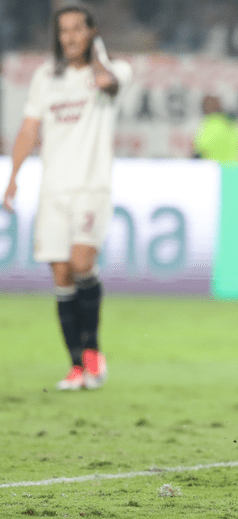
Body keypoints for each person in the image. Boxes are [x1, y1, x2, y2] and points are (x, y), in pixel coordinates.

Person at [2, 5, 132, 390]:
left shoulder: (113, 71)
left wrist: (97, 55)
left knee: (81, 263)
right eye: (64, 31)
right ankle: (77, 367)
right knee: (60, 273)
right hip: (53, 188)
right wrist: (12, 176)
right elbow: (30, 127)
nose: (70, 37)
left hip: (91, 186)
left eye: (78, 29)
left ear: (92, 32)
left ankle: (93, 354)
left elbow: (108, 83)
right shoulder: (46, 77)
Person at [193, 94, 238, 162]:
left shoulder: (212, 123)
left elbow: (201, 148)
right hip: (234, 168)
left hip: (214, 168)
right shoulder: (233, 123)